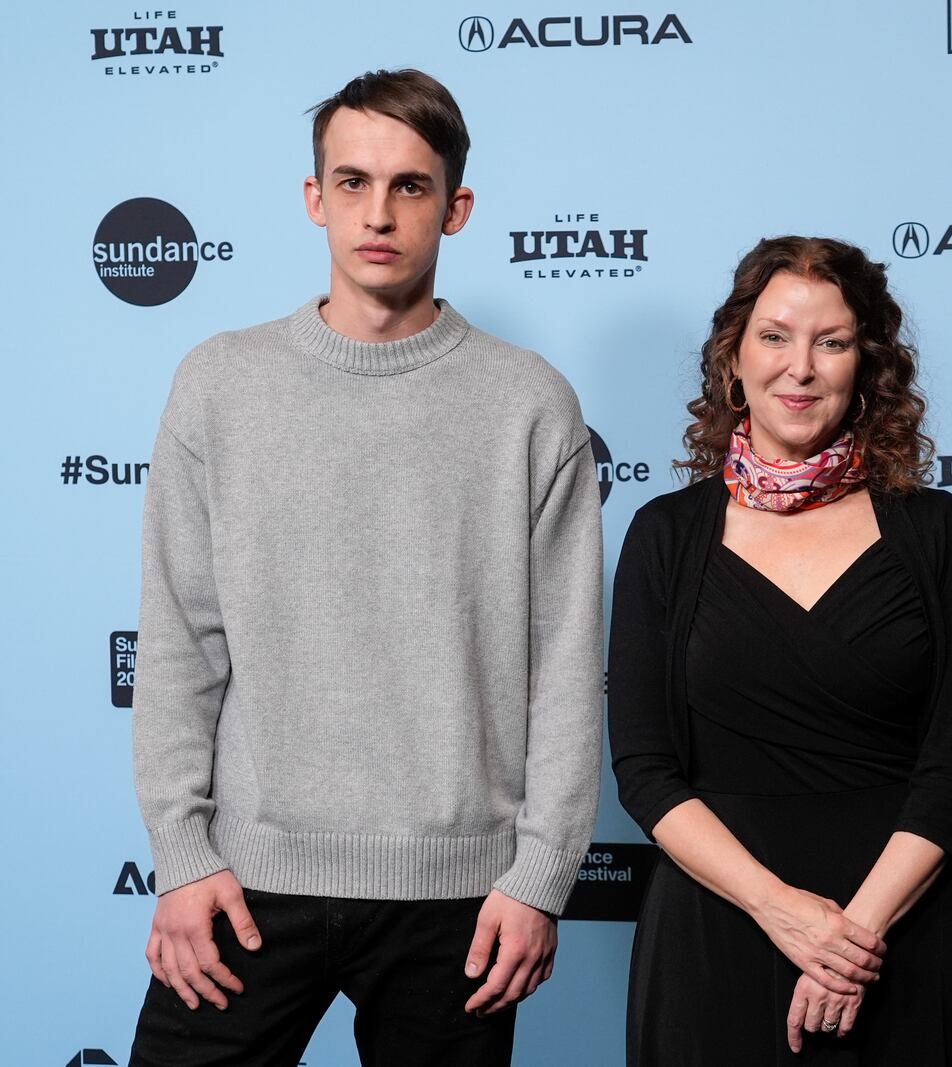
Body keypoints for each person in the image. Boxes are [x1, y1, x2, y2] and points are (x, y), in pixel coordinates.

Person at [129, 69, 603, 1066]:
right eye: (351, 182)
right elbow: (178, 639)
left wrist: (538, 876)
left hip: (463, 899)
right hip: (248, 881)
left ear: (456, 207)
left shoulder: (530, 404)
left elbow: (564, 664)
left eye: (410, 186)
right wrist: (180, 853)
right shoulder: (220, 383)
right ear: (313, 198)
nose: (377, 213)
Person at [608, 236, 952, 1064]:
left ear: (868, 365)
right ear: (734, 359)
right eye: (776, 336)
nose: (802, 368)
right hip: (717, 937)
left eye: (832, 342)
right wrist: (780, 909)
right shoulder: (664, 538)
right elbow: (645, 767)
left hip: (898, 940)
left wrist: (849, 940)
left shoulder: (938, 534)